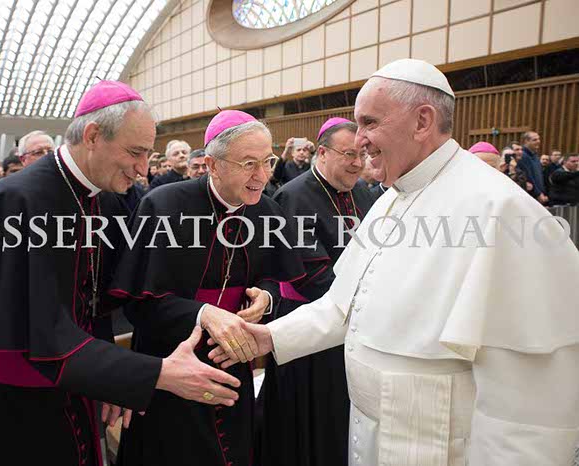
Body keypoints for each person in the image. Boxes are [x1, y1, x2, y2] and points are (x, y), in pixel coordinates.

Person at [210, 59, 579, 465]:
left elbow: (530, 414)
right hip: (373, 437)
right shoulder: (391, 199)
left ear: (422, 121)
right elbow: (346, 305)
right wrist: (271, 337)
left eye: (369, 123)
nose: (360, 140)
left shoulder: (504, 212)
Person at [0, 81, 242, 466]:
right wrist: (153, 373)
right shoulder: (21, 198)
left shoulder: (103, 200)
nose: (143, 169)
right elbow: (39, 330)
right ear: (93, 136)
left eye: (148, 154)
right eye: (135, 152)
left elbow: (92, 303)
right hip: (4, 406)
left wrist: (111, 380)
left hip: (69, 383)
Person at [110, 110, 306, 466]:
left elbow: (278, 279)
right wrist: (203, 314)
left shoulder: (269, 211)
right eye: (249, 163)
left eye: (267, 161)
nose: (262, 176)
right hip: (170, 363)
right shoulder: (163, 205)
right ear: (213, 165)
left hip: (234, 360)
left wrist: (265, 297)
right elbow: (138, 303)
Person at [259, 118, 376, 466]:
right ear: (322, 153)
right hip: (306, 323)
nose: (358, 163)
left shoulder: (363, 193)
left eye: (362, 154)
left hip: (354, 321)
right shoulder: (293, 196)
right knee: (307, 419)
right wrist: (369, 298)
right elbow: (310, 275)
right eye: (349, 154)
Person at [517, 130, 549, 204]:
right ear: (526, 141)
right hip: (530, 195)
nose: (538, 141)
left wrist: (542, 192)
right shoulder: (523, 156)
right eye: (534, 140)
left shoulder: (535, 156)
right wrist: (537, 193)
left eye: (539, 139)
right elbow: (528, 176)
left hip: (539, 194)